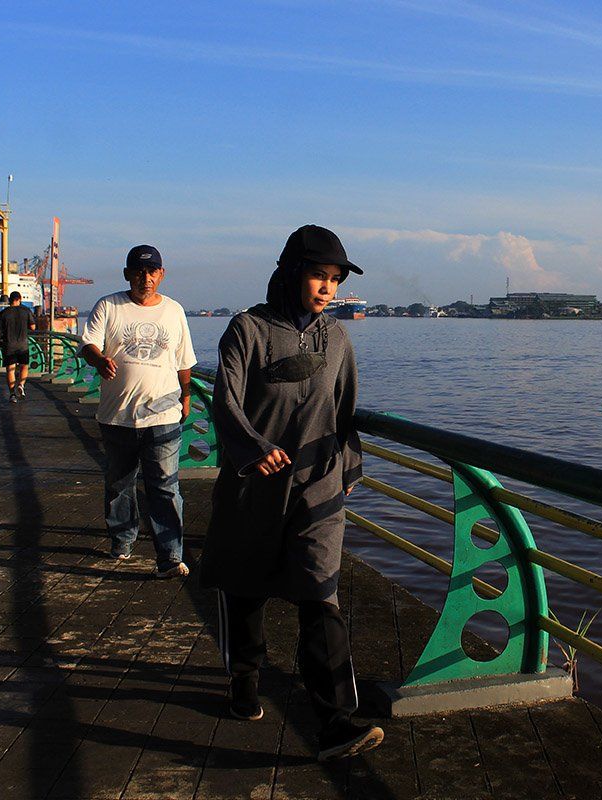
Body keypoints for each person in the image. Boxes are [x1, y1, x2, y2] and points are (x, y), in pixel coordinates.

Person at [201, 224, 382, 762]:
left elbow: (346, 411)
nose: (327, 289)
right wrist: (252, 448)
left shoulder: (338, 340)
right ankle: (245, 678)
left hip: (317, 486)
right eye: (318, 276)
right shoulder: (247, 330)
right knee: (245, 587)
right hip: (254, 486)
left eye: (334, 280)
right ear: (289, 274)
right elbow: (225, 402)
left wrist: (347, 471)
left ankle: (335, 723)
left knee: (320, 593)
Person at [80, 245, 196, 578]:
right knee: (120, 483)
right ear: (128, 273)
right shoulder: (108, 306)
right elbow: (88, 344)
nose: (146, 278)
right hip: (117, 415)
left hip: (163, 415)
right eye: (139, 271)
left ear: (161, 274)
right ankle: (122, 540)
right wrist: (99, 360)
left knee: (164, 486)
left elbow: (184, 361)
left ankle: (170, 557)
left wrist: (186, 396)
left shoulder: (174, 311)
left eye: (153, 271)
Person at [0, 291, 35, 402]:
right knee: (24, 366)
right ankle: (21, 385)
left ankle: (12, 394)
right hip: (23, 345)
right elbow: (33, 327)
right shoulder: (26, 311)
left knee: (10, 370)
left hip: (8, 345)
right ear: (19, 299)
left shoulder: (4, 313)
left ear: (9, 300)